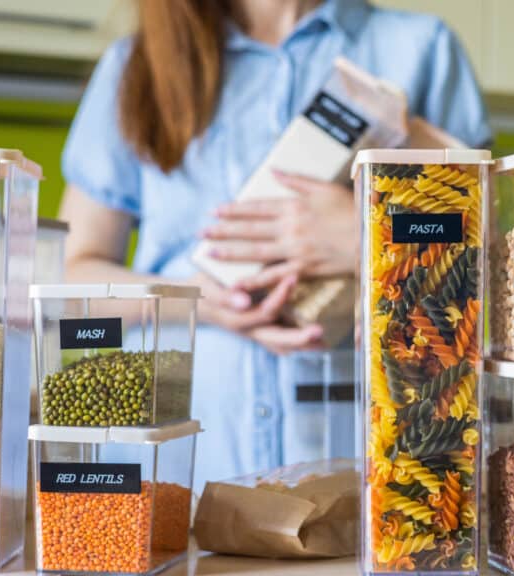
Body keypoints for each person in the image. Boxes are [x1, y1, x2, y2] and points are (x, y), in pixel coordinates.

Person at [59, 0, 491, 485]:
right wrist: (194, 301)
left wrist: (367, 238)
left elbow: (484, 258)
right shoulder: (135, 64)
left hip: (368, 464)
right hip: (180, 465)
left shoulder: (419, 49)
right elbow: (70, 286)